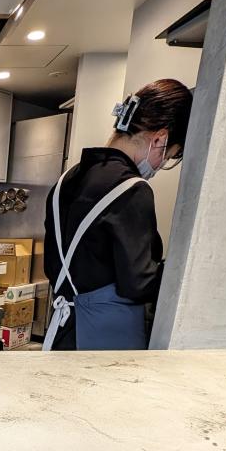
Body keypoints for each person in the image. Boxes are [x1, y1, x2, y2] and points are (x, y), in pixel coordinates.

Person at [43, 78, 193, 351]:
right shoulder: (132, 190)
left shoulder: (65, 182)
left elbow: (53, 267)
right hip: (107, 339)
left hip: (64, 333)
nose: (160, 166)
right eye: (169, 156)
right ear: (159, 139)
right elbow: (138, 283)